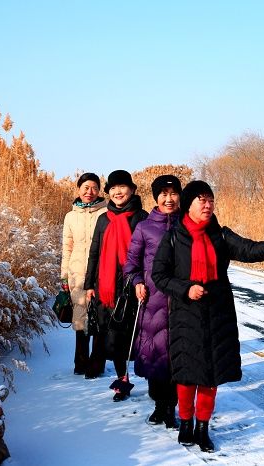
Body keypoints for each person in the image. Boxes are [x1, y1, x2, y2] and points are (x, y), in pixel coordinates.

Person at [151, 180, 264, 452]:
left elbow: (247, 249)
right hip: (186, 314)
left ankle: (203, 428)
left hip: (218, 313)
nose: (207, 204)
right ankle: (186, 423)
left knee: (211, 376)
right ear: (188, 204)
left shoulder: (221, 235)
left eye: (210, 199)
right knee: (188, 374)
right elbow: (160, 275)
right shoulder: (174, 237)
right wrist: (186, 288)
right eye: (201, 199)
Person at [123, 175, 182, 429]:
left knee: (178, 355)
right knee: (156, 353)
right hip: (153, 300)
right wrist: (137, 282)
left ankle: (173, 407)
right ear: (156, 198)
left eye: (173, 194)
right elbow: (131, 264)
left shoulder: (188, 224)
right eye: (163, 194)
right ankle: (160, 404)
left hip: (182, 301)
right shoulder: (144, 227)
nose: (169, 199)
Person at [84, 170, 148, 399]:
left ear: (132, 189)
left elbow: (149, 253)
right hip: (108, 286)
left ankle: (155, 380)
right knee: (114, 338)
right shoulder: (103, 219)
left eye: (122, 187)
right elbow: (94, 253)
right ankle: (123, 380)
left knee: (140, 335)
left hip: (134, 283)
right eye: (112, 188)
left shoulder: (141, 217)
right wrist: (89, 285)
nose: (117, 192)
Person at [60, 173, 107, 375]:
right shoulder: (70, 216)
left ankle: (96, 365)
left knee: (100, 317)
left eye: (94, 188)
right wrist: (64, 276)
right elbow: (66, 247)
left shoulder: (106, 212)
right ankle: (80, 363)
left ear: (100, 190)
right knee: (80, 318)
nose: (90, 192)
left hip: (101, 271)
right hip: (77, 272)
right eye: (86, 187)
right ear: (79, 189)